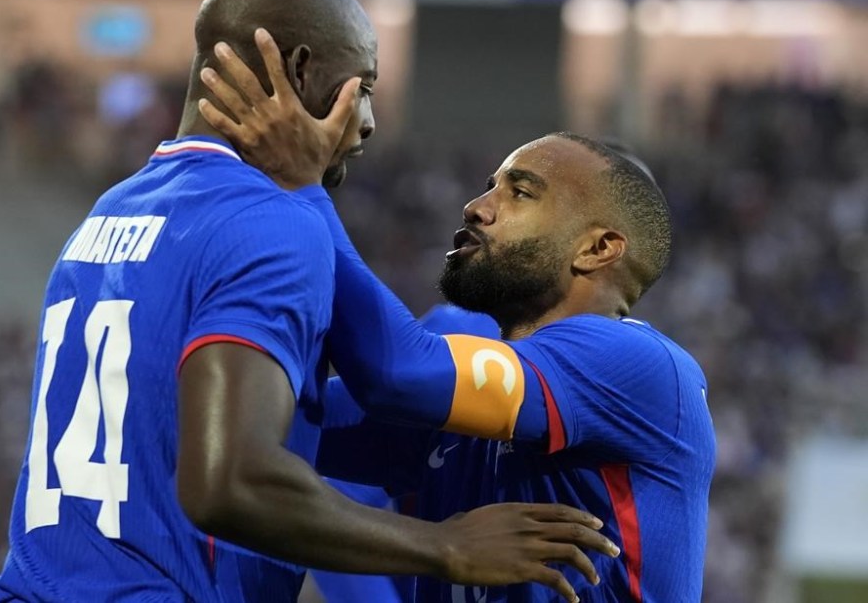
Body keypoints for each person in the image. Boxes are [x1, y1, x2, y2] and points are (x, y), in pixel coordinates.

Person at [0, 0, 620, 603]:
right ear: (296, 72)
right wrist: (447, 546)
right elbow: (232, 483)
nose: (368, 122)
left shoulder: (111, 210)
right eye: (363, 86)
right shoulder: (272, 220)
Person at [197, 32, 717, 602]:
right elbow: (270, 424)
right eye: (488, 185)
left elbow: (397, 372)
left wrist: (300, 185)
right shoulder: (463, 416)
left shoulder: (640, 369)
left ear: (597, 249)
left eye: (520, 193)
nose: (477, 207)